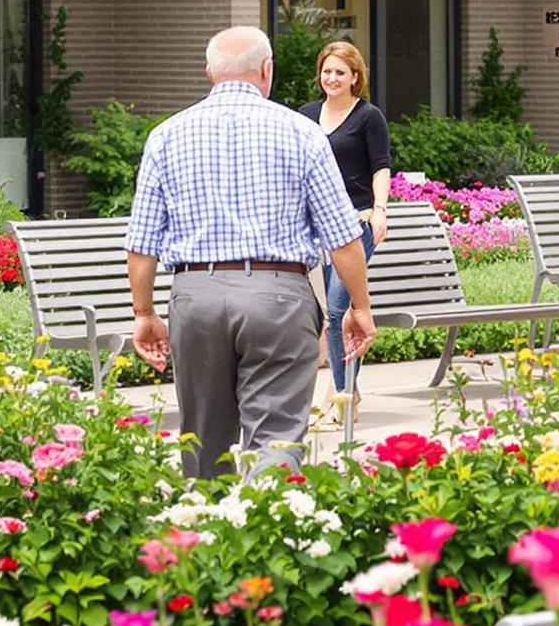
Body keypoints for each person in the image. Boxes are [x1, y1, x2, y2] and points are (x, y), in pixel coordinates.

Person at [126, 27, 375, 479]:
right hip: (279, 298)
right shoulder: (303, 132)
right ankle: (267, 531)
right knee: (276, 434)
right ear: (266, 70)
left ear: (209, 74)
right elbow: (342, 236)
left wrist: (144, 314)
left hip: (195, 296)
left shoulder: (166, 136)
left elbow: (142, 245)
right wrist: (359, 306)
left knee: (202, 439)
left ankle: (202, 533)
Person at [299, 41, 390, 401]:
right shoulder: (305, 115)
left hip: (357, 223)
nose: (332, 78)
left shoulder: (368, 116)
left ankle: (343, 392)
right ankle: (344, 390)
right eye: (327, 71)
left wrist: (380, 209)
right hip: (316, 227)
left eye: (340, 72)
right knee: (330, 312)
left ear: (355, 77)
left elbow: (380, 166)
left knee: (338, 308)